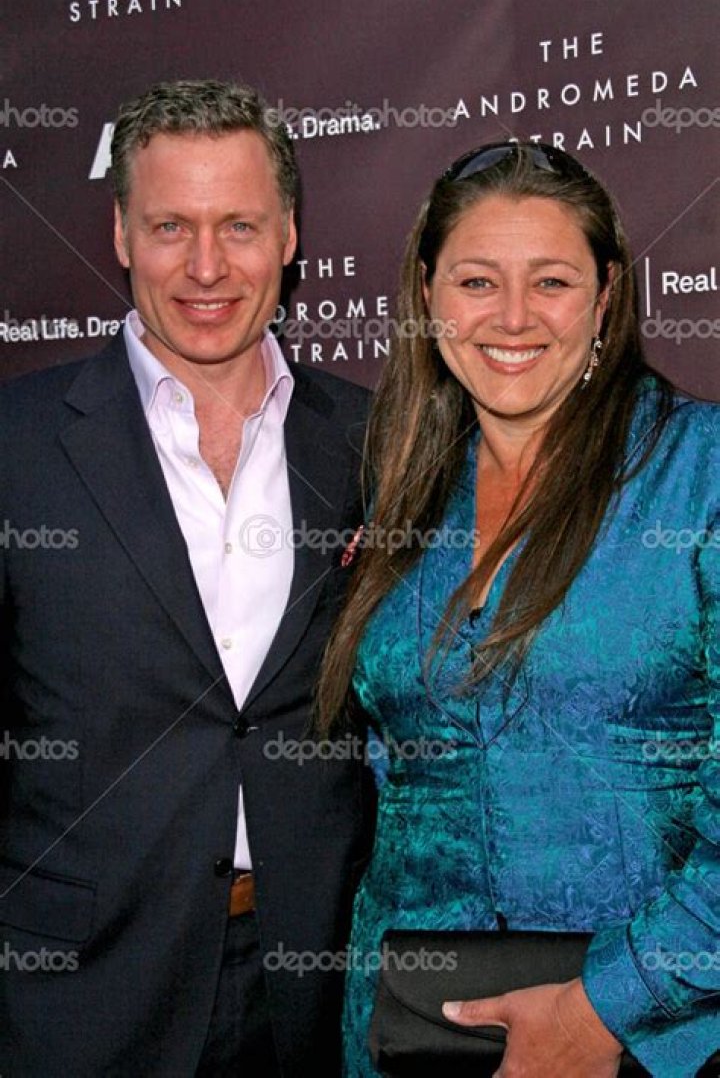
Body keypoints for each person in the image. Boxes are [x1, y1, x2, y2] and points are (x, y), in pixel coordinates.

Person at [316, 142, 719, 1076]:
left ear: (605, 297)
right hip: (409, 1030)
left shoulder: (699, 474)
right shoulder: (400, 494)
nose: (511, 317)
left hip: (652, 1040)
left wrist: (608, 1005)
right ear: (428, 296)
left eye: (551, 282)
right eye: (476, 281)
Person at [0, 79, 374, 1076]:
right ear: (122, 234)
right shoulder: (17, 445)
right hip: (76, 997)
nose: (207, 267)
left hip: (313, 987)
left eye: (239, 225)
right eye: (172, 226)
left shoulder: (370, 441)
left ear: (289, 235)